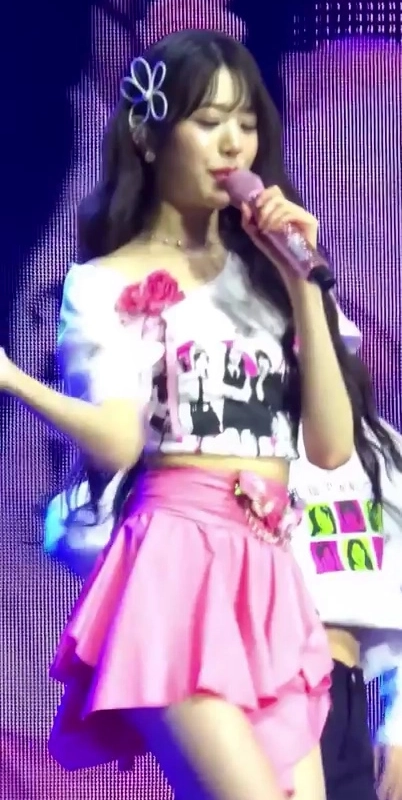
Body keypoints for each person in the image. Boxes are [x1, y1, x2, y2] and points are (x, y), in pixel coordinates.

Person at [1, 28, 400, 800]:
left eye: (246, 123)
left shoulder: (271, 279)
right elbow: (119, 443)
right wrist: (16, 380)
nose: (233, 143)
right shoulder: (105, 280)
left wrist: (302, 288)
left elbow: (329, 446)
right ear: (150, 138)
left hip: (274, 573)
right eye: (209, 121)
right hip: (176, 568)